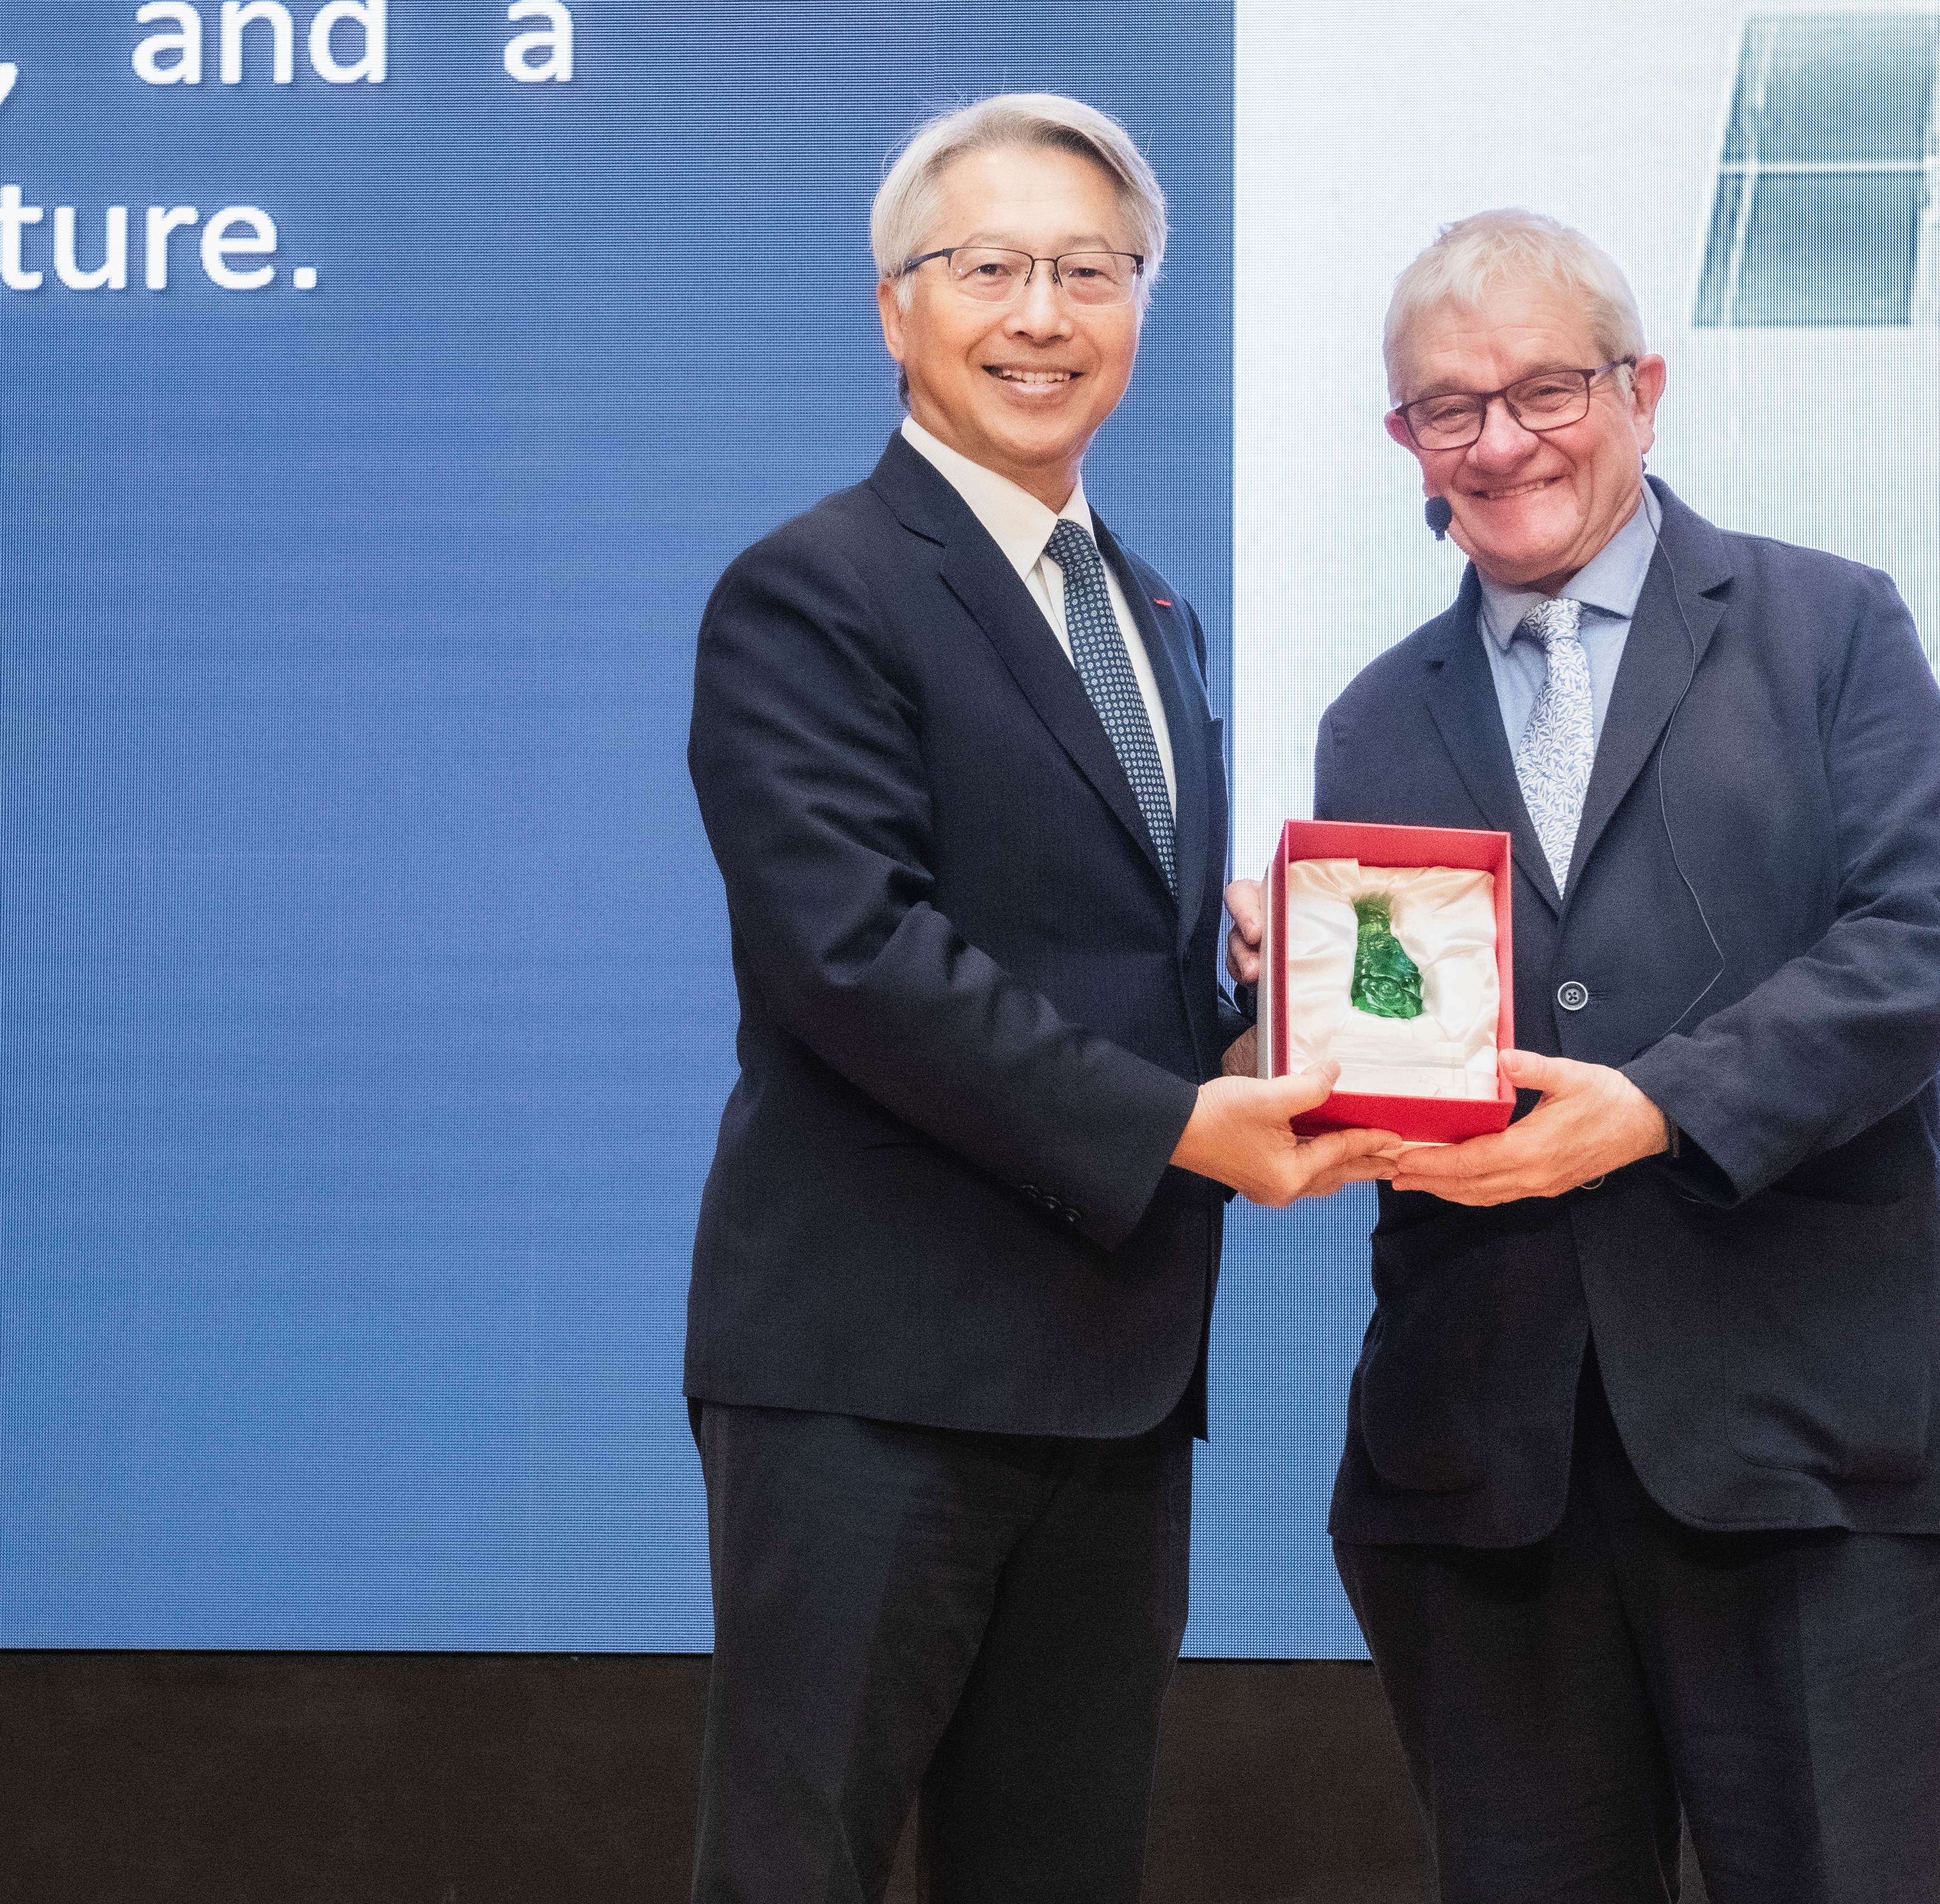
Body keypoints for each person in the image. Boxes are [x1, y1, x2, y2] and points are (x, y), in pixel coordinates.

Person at [1236, 207, 1940, 1902]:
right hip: (1486, 1471)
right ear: (1404, 445)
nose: (1501, 443)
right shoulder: (1373, 716)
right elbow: (1404, 1038)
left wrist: (1660, 1108)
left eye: (1545, 390)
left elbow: (1931, 939)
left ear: (1645, 389)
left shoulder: (1830, 629)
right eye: (1450, 409)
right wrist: (1280, 997)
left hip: (1803, 1454)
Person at [683, 94, 1392, 1904]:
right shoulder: (814, 590)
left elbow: (1093, 951)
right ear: (896, 309)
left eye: (1091, 271)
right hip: (876, 1376)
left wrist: (1262, 1012)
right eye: (988, 268)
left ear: (1142, 307)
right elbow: (853, 955)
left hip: (1113, 1372)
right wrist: (1178, 1123)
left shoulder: (1152, 615)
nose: (1041, 316)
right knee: (799, 1871)